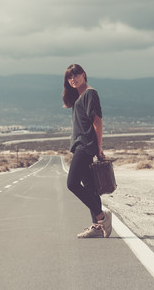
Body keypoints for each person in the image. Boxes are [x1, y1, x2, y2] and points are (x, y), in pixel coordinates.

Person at [62, 64, 112, 238]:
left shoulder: (90, 93)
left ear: (83, 74)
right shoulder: (79, 96)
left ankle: (101, 216)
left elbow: (97, 122)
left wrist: (98, 147)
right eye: (69, 77)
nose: (73, 79)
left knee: (72, 184)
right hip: (81, 145)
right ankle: (97, 227)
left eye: (76, 75)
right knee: (90, 187)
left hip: (86, 145)